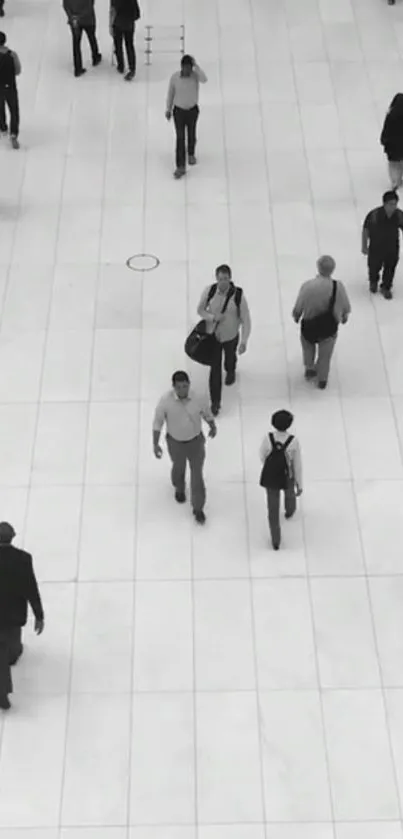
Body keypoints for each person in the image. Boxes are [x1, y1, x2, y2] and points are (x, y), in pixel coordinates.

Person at [153, 371, 217, 524]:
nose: (183, 390)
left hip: (196, 441)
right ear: (173, 387)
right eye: (179, 387)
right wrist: (155, 444)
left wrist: (212, 425)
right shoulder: (165, 401)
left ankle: (198, 507)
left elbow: (206, 413)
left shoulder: (198, 398)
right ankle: (179, 487)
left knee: (197, 474)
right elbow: (158, 422)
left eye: (185, 386)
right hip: (175, 442)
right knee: (178, 467)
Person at [0, 522, 45, 710]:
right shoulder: (23, 559)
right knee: (10, 647)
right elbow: (30, 588)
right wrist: (39, 615)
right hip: (12, 615)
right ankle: (11, 657)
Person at [197, 264, 252, 416]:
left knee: (230, 357)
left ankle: (230, 370)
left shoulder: (238, 296)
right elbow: (200, 310)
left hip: (230, 336)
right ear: (216, 278)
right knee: (214, 370)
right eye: (220, 279)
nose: (223, 282)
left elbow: (246, 319)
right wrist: (213, 317)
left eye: (226, 279)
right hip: (213, 336)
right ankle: (215, 403)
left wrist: (244, 341)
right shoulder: (210, 291)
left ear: (230, 278)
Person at [292, 255, 351, 389]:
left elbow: (299, 304)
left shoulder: (307, 286)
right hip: (329, 328)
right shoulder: (338, 286)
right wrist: (344, 316)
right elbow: (345, 306)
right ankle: (322, 379)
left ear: (318, 268)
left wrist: (296, 315)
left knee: (308, 347)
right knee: (325, 354)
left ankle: (309, 368)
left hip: (309, 326)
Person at [259, 410, 302, 551]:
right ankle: (290, 510)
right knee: (289, 494)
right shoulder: (293, 441)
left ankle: (275, 540)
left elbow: (262, 455)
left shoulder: (268, 438)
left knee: (272, 509)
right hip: (287, 475)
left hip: (271, 477)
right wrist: (299, 483)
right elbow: (297, 464)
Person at [165, 54, 207, 179]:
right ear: (182, 67)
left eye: (190, 67)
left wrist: (196, 66)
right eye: (186, 67)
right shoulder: (175, 78)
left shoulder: (195, 76)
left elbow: (204, 79)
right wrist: (168, 109)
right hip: (179, 111)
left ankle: (191, 153)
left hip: (192, 110)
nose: (188, 70)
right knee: (180, 138)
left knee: (191, 133)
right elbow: (170, 93)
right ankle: (180, 166)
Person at [362, 190, 403, 299]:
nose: (393, 207)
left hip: (392, 247)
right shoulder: (374, 215)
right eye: (391, 204)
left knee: (390, 268)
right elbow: (365, 230)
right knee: (374, 266)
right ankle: (373, 281)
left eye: (395, 204)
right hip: (376, 247)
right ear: (384, 204)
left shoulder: (399, 215)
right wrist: (364, 245)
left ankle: (386, 287)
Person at [62, 0, 102, 77]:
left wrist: (72, 17)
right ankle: (95, 57)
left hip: (75, 21)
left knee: (76, 44)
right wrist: (80, 16)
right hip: (88, 19)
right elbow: (90, 5)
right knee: (92, 37)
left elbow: (65, 5)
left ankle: (78, 68)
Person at [0, 32, 21, 149]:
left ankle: (2, 127)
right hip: (10, 86)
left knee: (0, 106)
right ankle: (13, 134)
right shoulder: (12, 54)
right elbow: (18, 70)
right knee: (13, 110)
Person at [110, 0, 140, 81]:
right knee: (129, 46)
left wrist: (110, 25)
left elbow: (112, 12)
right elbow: (137, 14)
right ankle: (132, 68)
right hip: (129, 25)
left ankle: (121, 66)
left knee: (118, 45)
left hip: (117, 24)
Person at [380, 94, 403, 188]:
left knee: (394, 164)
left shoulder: (391, 115)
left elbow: (386, 129)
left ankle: (395, 182)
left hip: (392, 146)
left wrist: (384, 139)